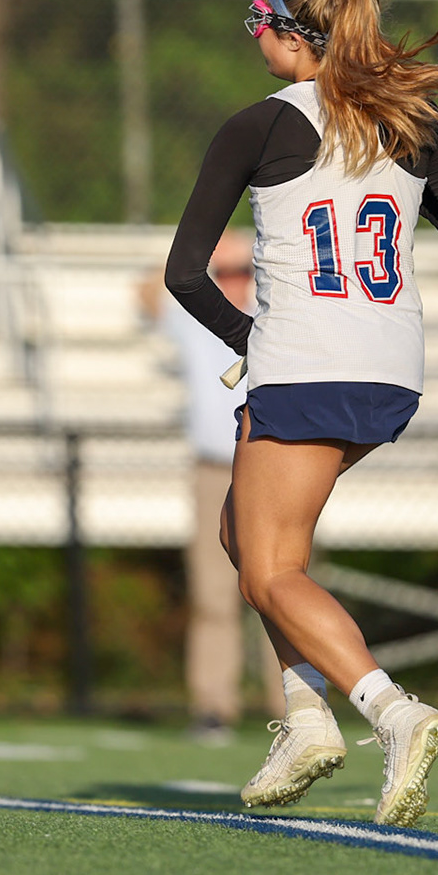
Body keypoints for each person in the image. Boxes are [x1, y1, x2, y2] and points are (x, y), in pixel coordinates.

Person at [164, 0, 438, 827]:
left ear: (293, 33)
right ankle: (306, 716)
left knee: (271, 566)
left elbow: (184, 275)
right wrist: (420, 181)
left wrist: (255, 339)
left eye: (259, 22)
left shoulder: (260, 126)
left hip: (307, 363)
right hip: (390, 374)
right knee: (242, 536)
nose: (255, 39)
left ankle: (389, 712)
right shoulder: (417, 124)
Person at [142, 233, 286, 742]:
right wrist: (215, 246)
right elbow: (148, 289)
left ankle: (295, 706)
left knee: (283, 585)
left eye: (244, 269)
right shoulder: (192, 316)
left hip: (272, 464)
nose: (234, 281)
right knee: (211, 593)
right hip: (211, 466)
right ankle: (213, 705)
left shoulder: (280, 311)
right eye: (223, 271)